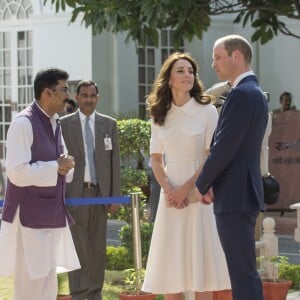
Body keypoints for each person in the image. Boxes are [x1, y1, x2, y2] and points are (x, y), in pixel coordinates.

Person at [142, 52, 231, 300]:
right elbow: (156, 159)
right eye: (181, 70)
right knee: (173, 265)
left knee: (201, 264)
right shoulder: (159, 113)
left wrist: (187, 189)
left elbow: (209, 155)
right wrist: (170, 190)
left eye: (191, 71)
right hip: (170, 194)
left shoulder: (207, 111)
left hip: (200, 191)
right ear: (168, 79)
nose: (187, 75)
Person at [196, 34, 268, 300]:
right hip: (241, 194)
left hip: (235, 196)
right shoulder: (253, 92)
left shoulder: (241, 94)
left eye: (217, 57)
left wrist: (201, 184)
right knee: (243, 271)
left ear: (236, 56)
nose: (213, 63)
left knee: (242, 273)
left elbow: (224, 147)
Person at [0, 67, 80, 300]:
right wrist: (57, 166)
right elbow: (17, 172)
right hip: (28, 217)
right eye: (64, 89)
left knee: (47, 283)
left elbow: (64, 167)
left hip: (51, 214)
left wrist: (64, 166)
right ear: (47, 92)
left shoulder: (55, 123)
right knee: (31, 285)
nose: (68, 95)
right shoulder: (23, 123)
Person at [60, 80, 121, 300]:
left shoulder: (109, 124)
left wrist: (113, 195)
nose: (88, 99)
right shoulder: (64, 124)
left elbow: (115, 162)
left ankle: (95, 293)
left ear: (98, 97)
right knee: (76, 247)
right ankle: (78, 293)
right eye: (84, 95)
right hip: (74, 195)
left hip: (100, 195)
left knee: (96, 247)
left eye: (92, 95)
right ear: (77, 97)